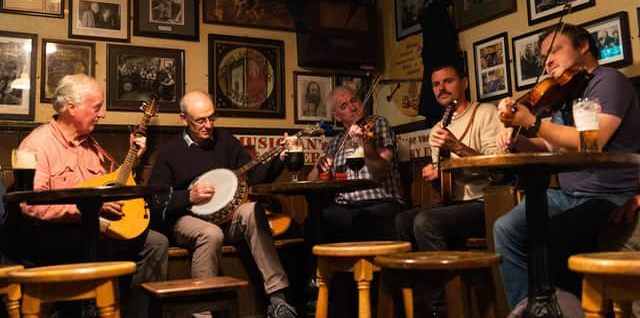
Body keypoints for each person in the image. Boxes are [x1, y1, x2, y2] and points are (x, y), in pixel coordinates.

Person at [494, 23, 640, 309]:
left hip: (611, 193)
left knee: (553, 234)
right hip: (568, 195)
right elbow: (550, 145)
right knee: (505, 229)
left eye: (555, 50)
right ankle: (529, 310)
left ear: (583, 46)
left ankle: (567, 311)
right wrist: (517, 137)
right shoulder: (566, 93)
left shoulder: (608, 81)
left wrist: (532, 123)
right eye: (544, 56)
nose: (547, 60)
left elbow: (592, 141)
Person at [16, 74, 168, 318]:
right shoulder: (38, 145)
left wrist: (133, 160)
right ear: (71, 108)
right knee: (97, 244)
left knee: (156, 243)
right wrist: (88, 210)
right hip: (54, 233)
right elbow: (31, 206)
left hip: (95, 228)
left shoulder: (92, 146)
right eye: (97, 107)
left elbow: (111, 187)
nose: (103, 114)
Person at [148, 90, 297, 318]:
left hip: (228, 218)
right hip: (187, 219)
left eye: (211, 118)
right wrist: (188, 197)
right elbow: (156, 202)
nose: (208, 125)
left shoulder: (225, 141)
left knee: (252, 210)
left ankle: (278, 300)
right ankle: (202, 313)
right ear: (183, 119)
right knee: (210, 233)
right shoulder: (170, 152)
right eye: (200, 120)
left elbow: (255, 177)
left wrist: (280, 160)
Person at [395, 63, 503, 252]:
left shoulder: (486, 113)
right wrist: (434, 178)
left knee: (425, 222)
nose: (441, 88)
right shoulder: (437, 129)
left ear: (464, 83)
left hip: (484, 202)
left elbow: (499, 170)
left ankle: (445, 280)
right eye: (436, 84)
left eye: (448, 81)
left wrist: (457, 147)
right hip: (453, 203)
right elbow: (446, 187)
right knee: (402, 221)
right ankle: (419, 277)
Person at [308, 85, 405, 242]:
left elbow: (381, 172)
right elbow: (312, 181)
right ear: (337, 117)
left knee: (363, 219)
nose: (353, 107)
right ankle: (325, 267)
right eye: (344, 106)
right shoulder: (336, 142)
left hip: (380, 201)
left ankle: (364, 266)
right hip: (346, 206)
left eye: (354, 100)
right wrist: (318, 167)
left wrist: (366, 145)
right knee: (318, 220)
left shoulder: (378, 125)